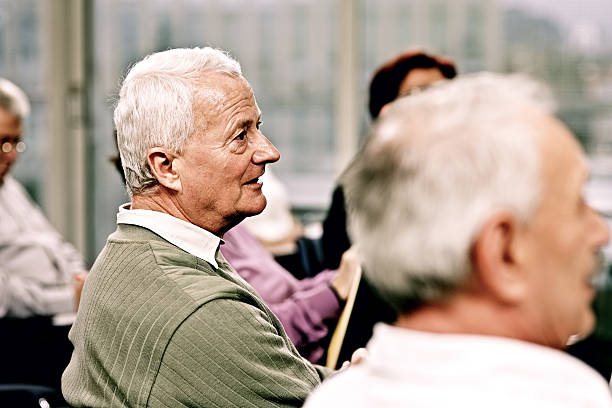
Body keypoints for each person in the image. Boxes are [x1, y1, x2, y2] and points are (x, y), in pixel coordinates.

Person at [304, 72, 612, 407]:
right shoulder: (571, 397)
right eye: (578, 204)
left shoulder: (333, 397)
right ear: (503, 251)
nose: (601, 232)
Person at [62, 47, 333, 408]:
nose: (269, 151)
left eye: (258, 128)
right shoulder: (197, 306)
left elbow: (292, 381)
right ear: (167, 167)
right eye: (241, 136)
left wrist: (354, 380)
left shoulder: (130, 251)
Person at [321, 49, 457, 270]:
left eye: (446, 94)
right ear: (388, 112)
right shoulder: (364, 184)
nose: (439, 105)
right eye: (421, 94)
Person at [0, 77, 87, 320]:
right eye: (2, 143)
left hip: (63, 312)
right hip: (24, 330)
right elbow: (5, 296)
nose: (12, 156)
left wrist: (83, 280)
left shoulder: (11, 189)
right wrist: (70, 299)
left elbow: (56, 244)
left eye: (15, 142)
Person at [220, 223, 359, 363]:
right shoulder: (208, 250)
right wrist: (333, 293)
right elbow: (259, 332)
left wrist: (338, 277)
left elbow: (293, 290)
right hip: (301, 368)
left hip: (314, 350)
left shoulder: (233, 227)